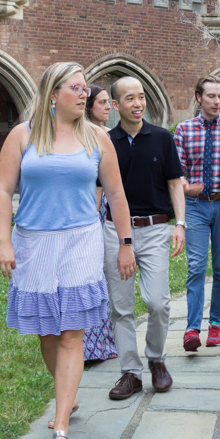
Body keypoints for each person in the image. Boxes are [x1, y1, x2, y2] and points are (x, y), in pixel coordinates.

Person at [0, 63, 136, 439]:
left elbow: (117, 194)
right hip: (33, 242)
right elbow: (3, 192)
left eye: (85, 87)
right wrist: (4, 242)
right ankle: (67, 394)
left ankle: (61, 425)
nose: (84, 94)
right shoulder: (23, 136)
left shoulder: (97, 138)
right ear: (52, 93)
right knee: (47, 330)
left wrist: (125, 243)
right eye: (75, 87)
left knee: (72, 330)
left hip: (81, 241)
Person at [103, 77, 188, 399]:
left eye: (141, 97)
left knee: (158, 302)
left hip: (154, 229)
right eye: (129, 98)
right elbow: (99, 190)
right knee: (121, 307)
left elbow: (174, 183)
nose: (138, 103)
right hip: (114, 230)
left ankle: (156, 360)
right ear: (115, 105)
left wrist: (180, 224)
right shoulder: (105, 141)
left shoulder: (162, 138)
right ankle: (130, 372)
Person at [173, 75, 220, 351]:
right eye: (211, 96)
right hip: (196, 206)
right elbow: (176, 172)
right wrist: (186, 188)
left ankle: (216, 324)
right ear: (199, 97)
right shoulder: (184, 130)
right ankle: (192, 329)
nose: (217, 101)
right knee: (195, 267)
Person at [82, 84, 118, 363]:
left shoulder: (108, 135)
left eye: (109, 102)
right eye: (102, 102)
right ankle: (90, 345)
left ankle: (104, 341)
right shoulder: (86, 136)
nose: (108, 106)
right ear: (89, 106)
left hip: (109, 210)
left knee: (104, 276)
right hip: (91, 212)